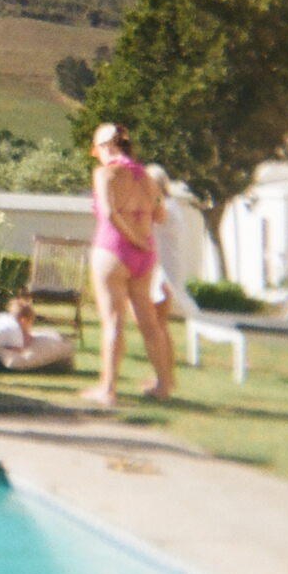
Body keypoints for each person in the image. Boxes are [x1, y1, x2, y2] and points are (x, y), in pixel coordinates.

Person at [80, 123, 175, 405]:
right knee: (149, 322)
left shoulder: (106, 174)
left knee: (113, 321)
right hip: (144, 255)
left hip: (113, 250)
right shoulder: (147, 177)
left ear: (106, 147)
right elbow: (161, 216)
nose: (95, 155)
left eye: (95, 148)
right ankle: (162, 386)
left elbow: (109, 213)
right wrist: (142, 235)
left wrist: (133, 237)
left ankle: (108, 389)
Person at [142, 163, 189, 392]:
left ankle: (164, 380)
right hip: (165, 271)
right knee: (159, 326)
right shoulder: (172, 206)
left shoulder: (165, 209)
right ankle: (164, 377)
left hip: (164, 274)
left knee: (157, 327)